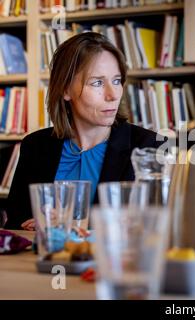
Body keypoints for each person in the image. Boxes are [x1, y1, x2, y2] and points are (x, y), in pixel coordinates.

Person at [5, 32, 162, 230]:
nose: (113, 95)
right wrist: (34, 225)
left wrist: (67, 224)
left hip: (113, 260)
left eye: (116, 80)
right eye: (97, 82)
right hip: (43, 260)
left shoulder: (148, 146)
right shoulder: (35, 146)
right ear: (66, 90)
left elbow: (152, 226)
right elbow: (16, 222)